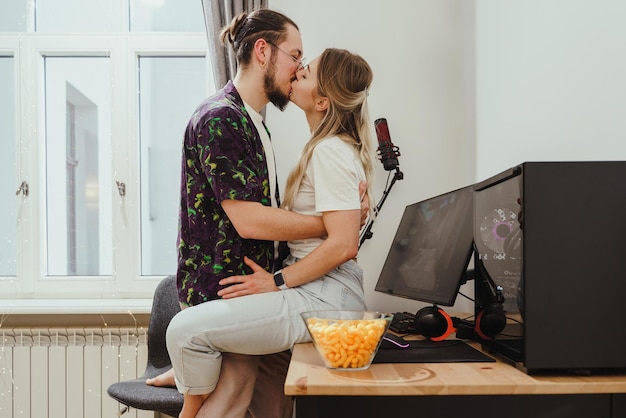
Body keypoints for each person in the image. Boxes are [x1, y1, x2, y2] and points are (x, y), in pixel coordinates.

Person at [147, 9, 369, 418]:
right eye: (295, 56)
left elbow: (289, 223)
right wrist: (336, 223)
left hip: (261, 286)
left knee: (260, 399)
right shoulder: (222, 118)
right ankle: (189, 381)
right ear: (264, 51)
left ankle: (189, 381)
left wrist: (343, 221)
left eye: (306, 63)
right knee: (234, 394)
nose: (299, 68)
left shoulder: (256, 125)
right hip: (229, 286)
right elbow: (249, 219)